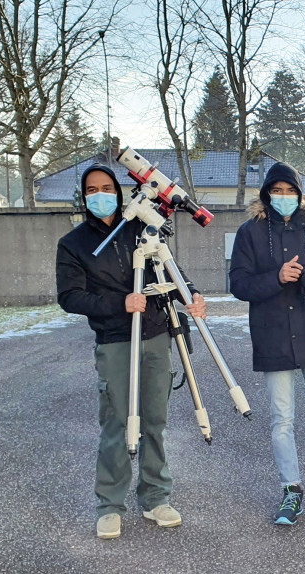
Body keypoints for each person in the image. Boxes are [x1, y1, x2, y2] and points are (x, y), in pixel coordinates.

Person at [56, 164, 206, 540]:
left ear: (120, 192)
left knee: (154, 420)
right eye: (92, 189)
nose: (100, 194)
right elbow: (70, 297)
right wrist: (119, 304)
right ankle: (109, 505)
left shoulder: (142, 228)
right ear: (83, 195)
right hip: (114, 339)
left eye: (107, 187)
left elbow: (168, 270)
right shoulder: (72, 244)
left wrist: (191, 292)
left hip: (155, 334)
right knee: (118, 423)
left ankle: (156, 497)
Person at [229, 162, 305, 527]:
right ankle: (291, 492)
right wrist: (277, 278)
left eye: (290, 191)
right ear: (267, 194)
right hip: (273, 335)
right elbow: (238, 284)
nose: (283, 197)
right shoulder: (249, 231)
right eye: (276, 191)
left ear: (300, 194)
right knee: (282, 420)